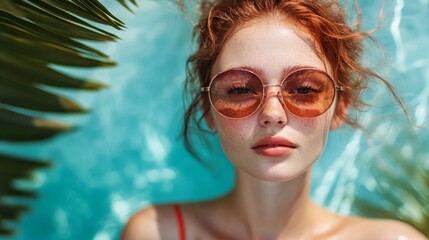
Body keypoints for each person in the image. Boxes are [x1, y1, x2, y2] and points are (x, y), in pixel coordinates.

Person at [122, 0, 427, 239]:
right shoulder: (157, 233)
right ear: (207, 109)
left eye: (304, 89)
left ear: (340, 107)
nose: (272, 114)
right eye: (240, 89)